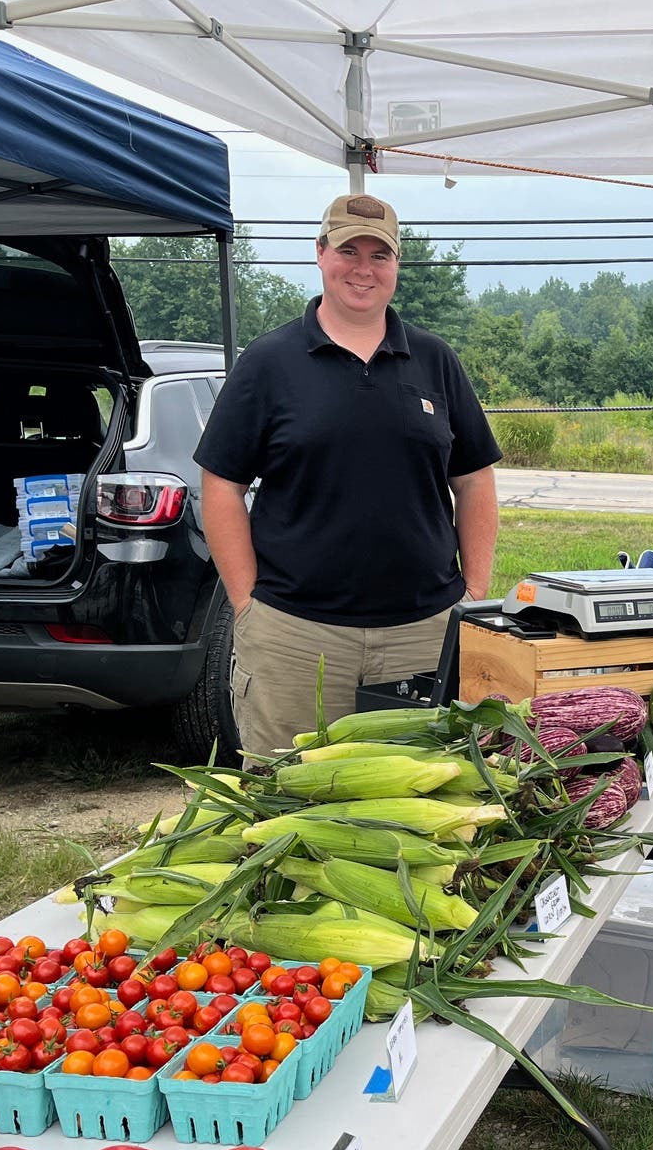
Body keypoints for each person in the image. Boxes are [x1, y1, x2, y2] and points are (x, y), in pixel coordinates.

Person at [195, 192, 502, 757]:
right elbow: (222, 487)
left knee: (417, 809)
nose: (363, 269)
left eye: (379, 255)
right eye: (348, 250)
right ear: (320, 253)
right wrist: (247, 604)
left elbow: (475, 481)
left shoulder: (435, 361)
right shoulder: (269, 362)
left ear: (397, 266)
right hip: (295, 637)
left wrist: (474, 594)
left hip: (424, 632)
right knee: (288, 804)